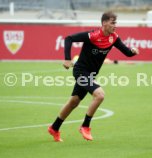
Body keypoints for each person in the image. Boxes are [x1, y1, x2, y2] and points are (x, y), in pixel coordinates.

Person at [48, 11, 139, 142]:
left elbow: (127, 53)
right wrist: (67, 59)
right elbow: (69, 38)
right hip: (80, 71)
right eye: (113, 23)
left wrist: (133, 52)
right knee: (100, 95)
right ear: (104, 23)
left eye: (116, 23)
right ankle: (85, 126)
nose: (115, 26)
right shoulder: (92, 35)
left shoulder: (114, 38)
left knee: (73, 102)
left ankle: (54, 128)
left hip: (90, 75)